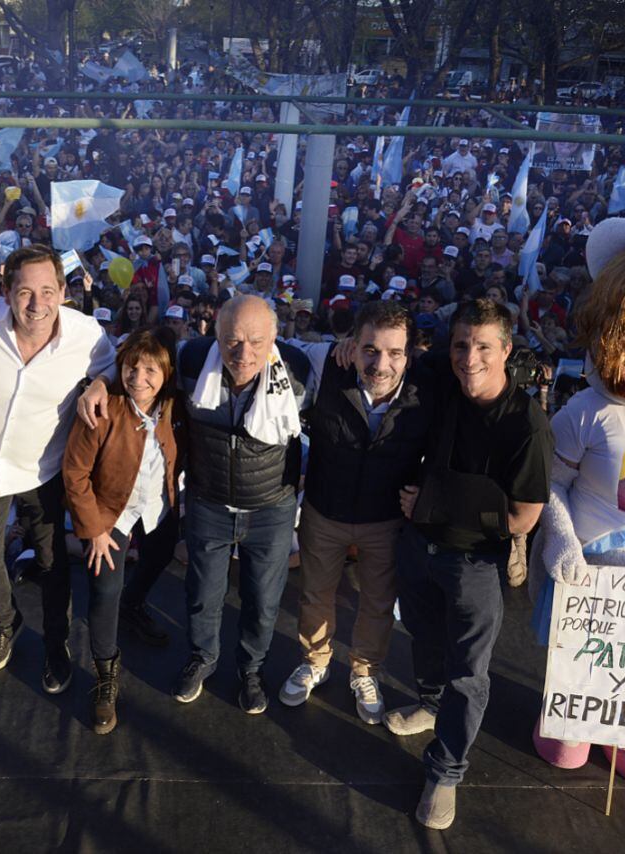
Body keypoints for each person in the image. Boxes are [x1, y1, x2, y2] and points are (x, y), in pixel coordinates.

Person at [82, 296, 319, 713]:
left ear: (275, 338)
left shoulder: (301, 368)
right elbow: (141, 362)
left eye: (255, 342)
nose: (242, 354)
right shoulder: (191, 359)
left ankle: (251, 670)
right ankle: (202, 658)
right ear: (214, 334)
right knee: (202, 595)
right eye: (231, 341)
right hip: (209, 503)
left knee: (263, 601)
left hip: (270, 509)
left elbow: (363, 370)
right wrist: (102, 381)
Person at [389, 298, 553, 829]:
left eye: (484, 346)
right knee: (424, 639)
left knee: (469, 674)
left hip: (475, 566)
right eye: (462, 344)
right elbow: (390, 347)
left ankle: (446, 770)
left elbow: (524, 517)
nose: (470, 357)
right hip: (420, 548)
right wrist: (349, 342)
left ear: (506, 349)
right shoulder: (442, 378)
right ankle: (430, 704)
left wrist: (437, 503)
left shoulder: (527, 424)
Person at [0, 245, 115, 694]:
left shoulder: (87, 335)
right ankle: (7, 620)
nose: (36, 305)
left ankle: (57, 646)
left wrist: (100, 382)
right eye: (24, 292)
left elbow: (116, 367)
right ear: (5, 292)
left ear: (63, 291)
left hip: (45, 471)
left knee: (52, 564)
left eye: (47, 291)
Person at [278, 302, 433, 725]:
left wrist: (426, 491)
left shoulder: (428, 389)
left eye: (394, 353)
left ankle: (365, 671)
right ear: (354, 343)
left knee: (378, 602)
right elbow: (273, 346)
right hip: (324, 509)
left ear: (410, 354)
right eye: (369, 349)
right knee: (315, 593)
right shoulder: (326, 362)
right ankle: (315, 661)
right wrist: (333, 346)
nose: (380, 363)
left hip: (385, 517)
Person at [63, 329, 186, 734]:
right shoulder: (102, 408)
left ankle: (135, 605)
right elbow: (76, 472)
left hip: (158, 506)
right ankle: (104, 673)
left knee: (161, 555)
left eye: (151, 369)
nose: (139, 377)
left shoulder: (172, 405)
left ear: (166, 374)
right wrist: (94, 529)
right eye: (132, 366)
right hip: (109, 513)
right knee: (104, 589)